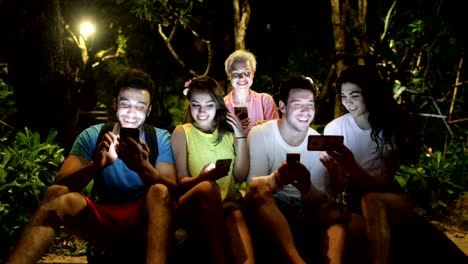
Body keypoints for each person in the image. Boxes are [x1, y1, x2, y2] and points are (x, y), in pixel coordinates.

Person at [5, 68, 177, 264]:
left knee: (159, 190)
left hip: (145, 217)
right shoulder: (95, 135)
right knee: (56, 193)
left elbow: (171, 190)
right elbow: (60, 183)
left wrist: (142, 167)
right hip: (105, 217)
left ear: (149, 110)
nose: (131, 113)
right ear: (114, 104)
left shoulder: (160, 138)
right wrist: (96, 165)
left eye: (140, 106)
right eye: (125, 104)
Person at [317, 65, 421, 264]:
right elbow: (339, 186)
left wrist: (351, 163)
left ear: (369, 93)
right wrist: (333, 169)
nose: (349, 103)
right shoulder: (335, 127)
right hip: (354, 198)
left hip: (387, 196)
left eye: (354, 96)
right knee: (349, 229)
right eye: (343, 96)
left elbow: (383, 183)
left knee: (371, 200)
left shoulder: (390, 127)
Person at [244, 76, 347, 264]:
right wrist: (277, 179)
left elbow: (319, 198)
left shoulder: (317, 141)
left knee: (335, 212)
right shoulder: (261, 133)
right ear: (282, 107)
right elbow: (254, 186)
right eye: (298, 104)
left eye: (310, 105)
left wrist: (306, 184)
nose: (305, 111)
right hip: (268, 205)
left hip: (302, 210)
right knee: (259, 186)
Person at [171, 76, 254, 264]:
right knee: (208, 187)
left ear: (217, 105)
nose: (201, 111)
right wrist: (202, 178)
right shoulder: (182, 132)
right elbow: (181, 181)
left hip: (227, 204)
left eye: (208, 105)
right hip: (196, 202)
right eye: (195, 105)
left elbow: (240, 176)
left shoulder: (227, 133)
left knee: (235, 214)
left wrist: (240, 135)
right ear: (189, 105)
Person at [224, 49, 279, 135]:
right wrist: (231, 129)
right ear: (229, 76)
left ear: (253, 74)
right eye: (236, 73)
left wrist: (267, 127)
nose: (242, 77)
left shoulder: (265, 101)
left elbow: (277, 134)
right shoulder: (222, 105)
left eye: (247, 72)